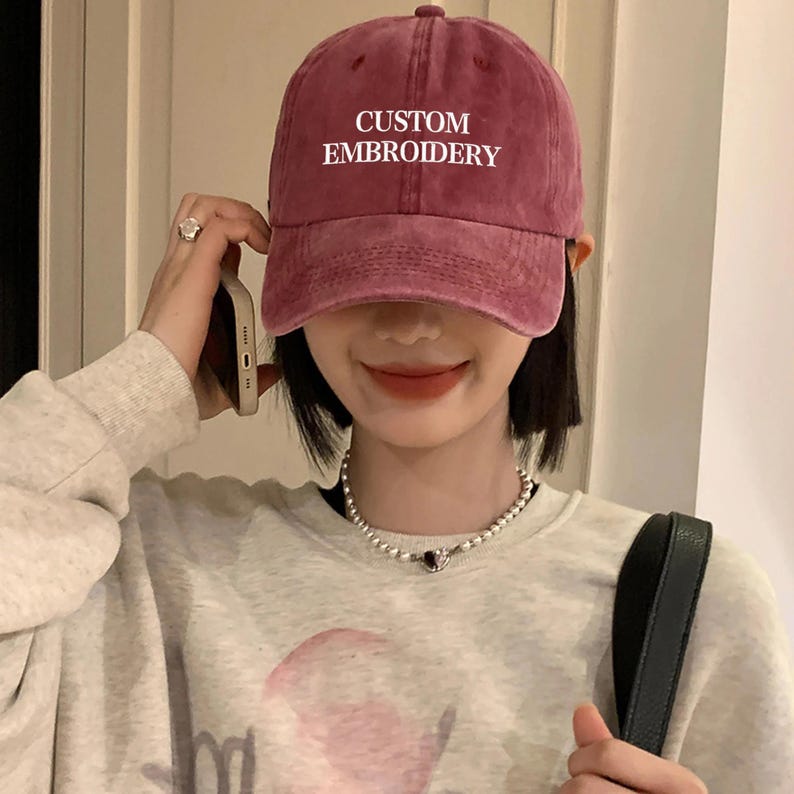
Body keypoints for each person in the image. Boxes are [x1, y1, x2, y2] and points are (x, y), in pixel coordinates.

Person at [1, 6, 792, 793]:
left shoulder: (693, 610)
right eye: (361, 272)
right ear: (283, 270)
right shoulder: (131, 565)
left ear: (566, 267)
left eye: (463, 275)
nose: (410, 325)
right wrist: (140, 385)